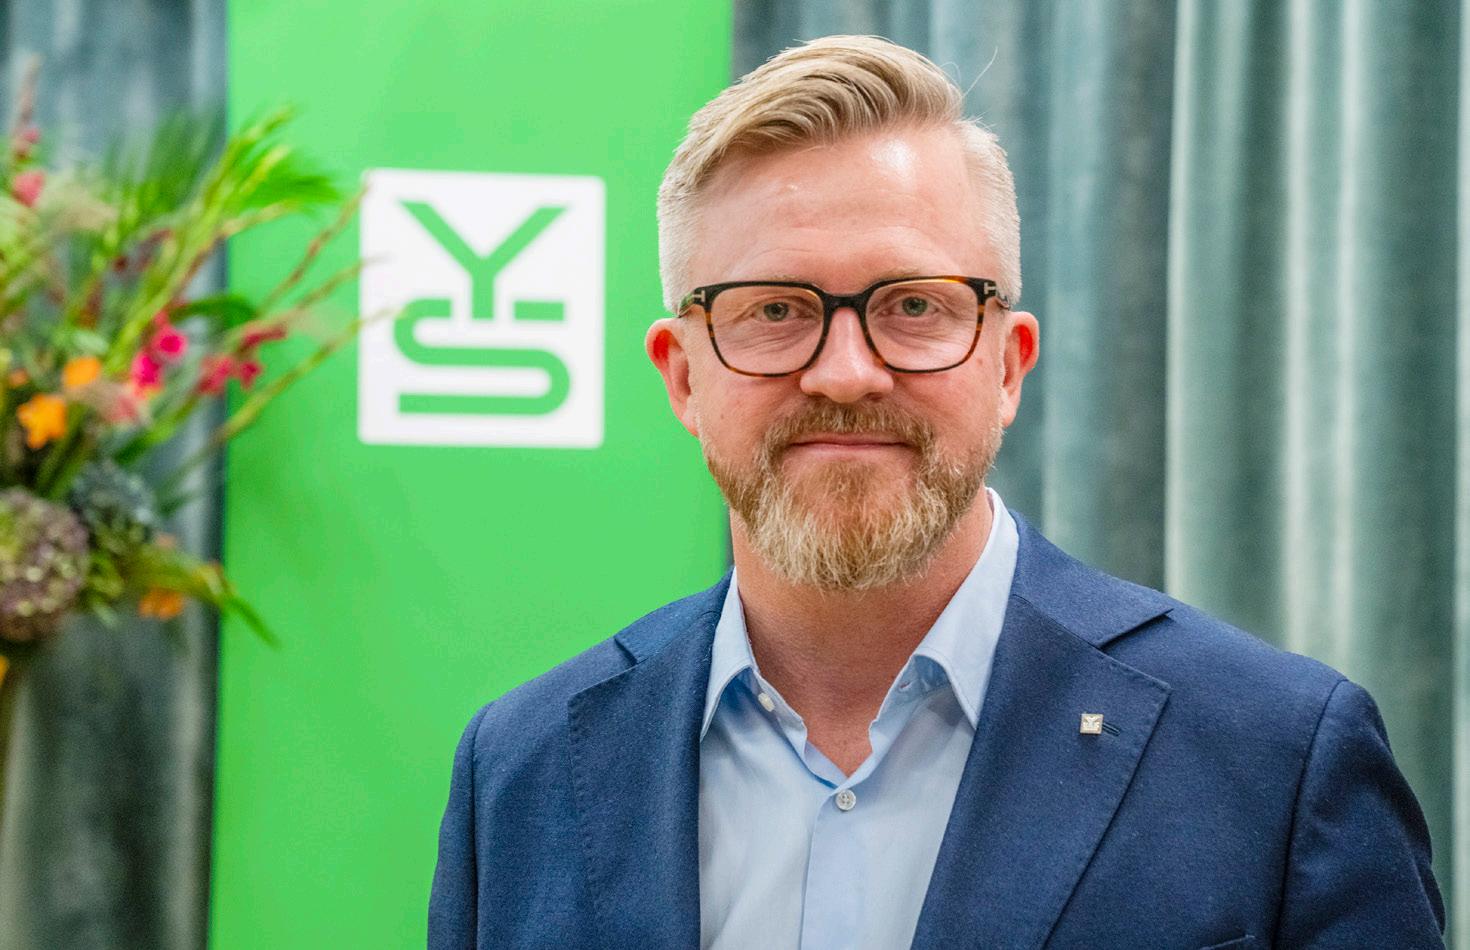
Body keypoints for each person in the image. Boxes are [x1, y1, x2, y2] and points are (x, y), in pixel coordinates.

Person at [427, 35, 1444, 949]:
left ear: (1008, 364)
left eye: (913, 305)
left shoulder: (1277, 758)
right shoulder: (519, 772)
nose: (845, 373)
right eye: (774, 310)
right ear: (683, 376)